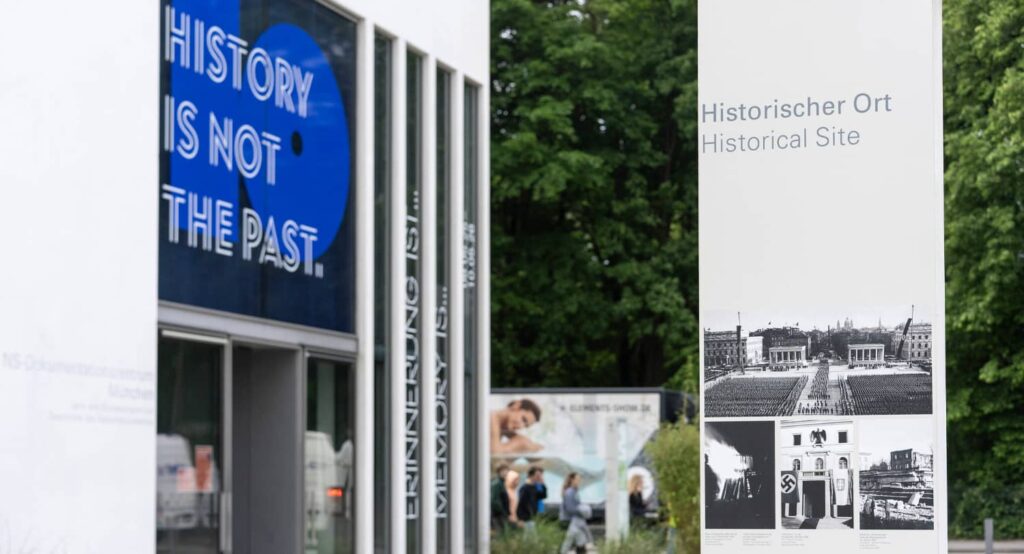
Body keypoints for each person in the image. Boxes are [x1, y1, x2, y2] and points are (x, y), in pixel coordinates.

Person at [559, 472, 593, 553]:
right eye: (577, 479)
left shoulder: (574, 491)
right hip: (569, 521)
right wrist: (583, 512)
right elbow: (570, 508)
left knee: (578, 543)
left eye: (579, 479)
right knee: (571, 543)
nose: (579, 481)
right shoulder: (570, 492)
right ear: (572, 480)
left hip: (574, 521)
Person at [515, 466, 547, 532]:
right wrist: (520, 519)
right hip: (525, 518)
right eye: (537, 475)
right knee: (529, 539)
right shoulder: (525, 488)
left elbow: (543, 496)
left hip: (532, 517)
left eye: (540, 475)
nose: (539, 477)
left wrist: (543, 484)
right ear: (531, 475)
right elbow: (520, 504)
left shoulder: (534, 487)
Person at [489, 463, 510, 531]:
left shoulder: (501, 483)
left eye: (506, 471)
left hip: (501, 515)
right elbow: (494, 500)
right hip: (498, 515)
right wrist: (503, 511)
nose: (505, 473)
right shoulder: (497, 483)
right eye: (503, 471)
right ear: (499, 472)